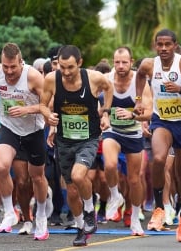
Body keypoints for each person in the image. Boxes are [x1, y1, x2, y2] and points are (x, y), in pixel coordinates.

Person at [134, 29, 181, 242]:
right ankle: (159, 208)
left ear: (175, 45)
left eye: (168, 44)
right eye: (160, 44)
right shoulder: (150, 64)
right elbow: (139, 75)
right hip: (162, 120)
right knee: (158, 159)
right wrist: (139, 100)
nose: (164, 48)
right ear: (155, 46)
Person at [39, 45, 114, 246]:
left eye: (70, 67)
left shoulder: (93, 78)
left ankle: (90, 212)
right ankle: (82, 227)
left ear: (79, 63)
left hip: (88, 138)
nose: (66, 72)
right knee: (71, 190)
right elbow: (42, 105)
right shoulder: (51, 79)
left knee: (78, 175)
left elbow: (109, 88)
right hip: (64, 140)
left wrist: (106, 112)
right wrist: (48, 115)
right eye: (62, 67)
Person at [0, 43, 52, 241]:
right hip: (9, 127)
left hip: (33, 130)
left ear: (21, 62)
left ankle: (40, 215)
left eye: (13, 67)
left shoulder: (33, 77)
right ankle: (9, 212)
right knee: (2, 166)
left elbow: (49, 104)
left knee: (37, 177)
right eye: (6, 67)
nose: (9, 71)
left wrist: (27, 110)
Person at [102, 47, 152, 236]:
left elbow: (149, 112)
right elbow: (99, 104)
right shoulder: (107, 80)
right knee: (110, 165)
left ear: (132, 62)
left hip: (133, 134)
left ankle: (136, 219)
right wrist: (104, 116)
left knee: (134, 179)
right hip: (112, 131)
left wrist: (132, 115)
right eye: (117, 62)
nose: (120, 66)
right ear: (113, 62)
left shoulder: (140, 84)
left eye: (124, 62)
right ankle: (116, 197)